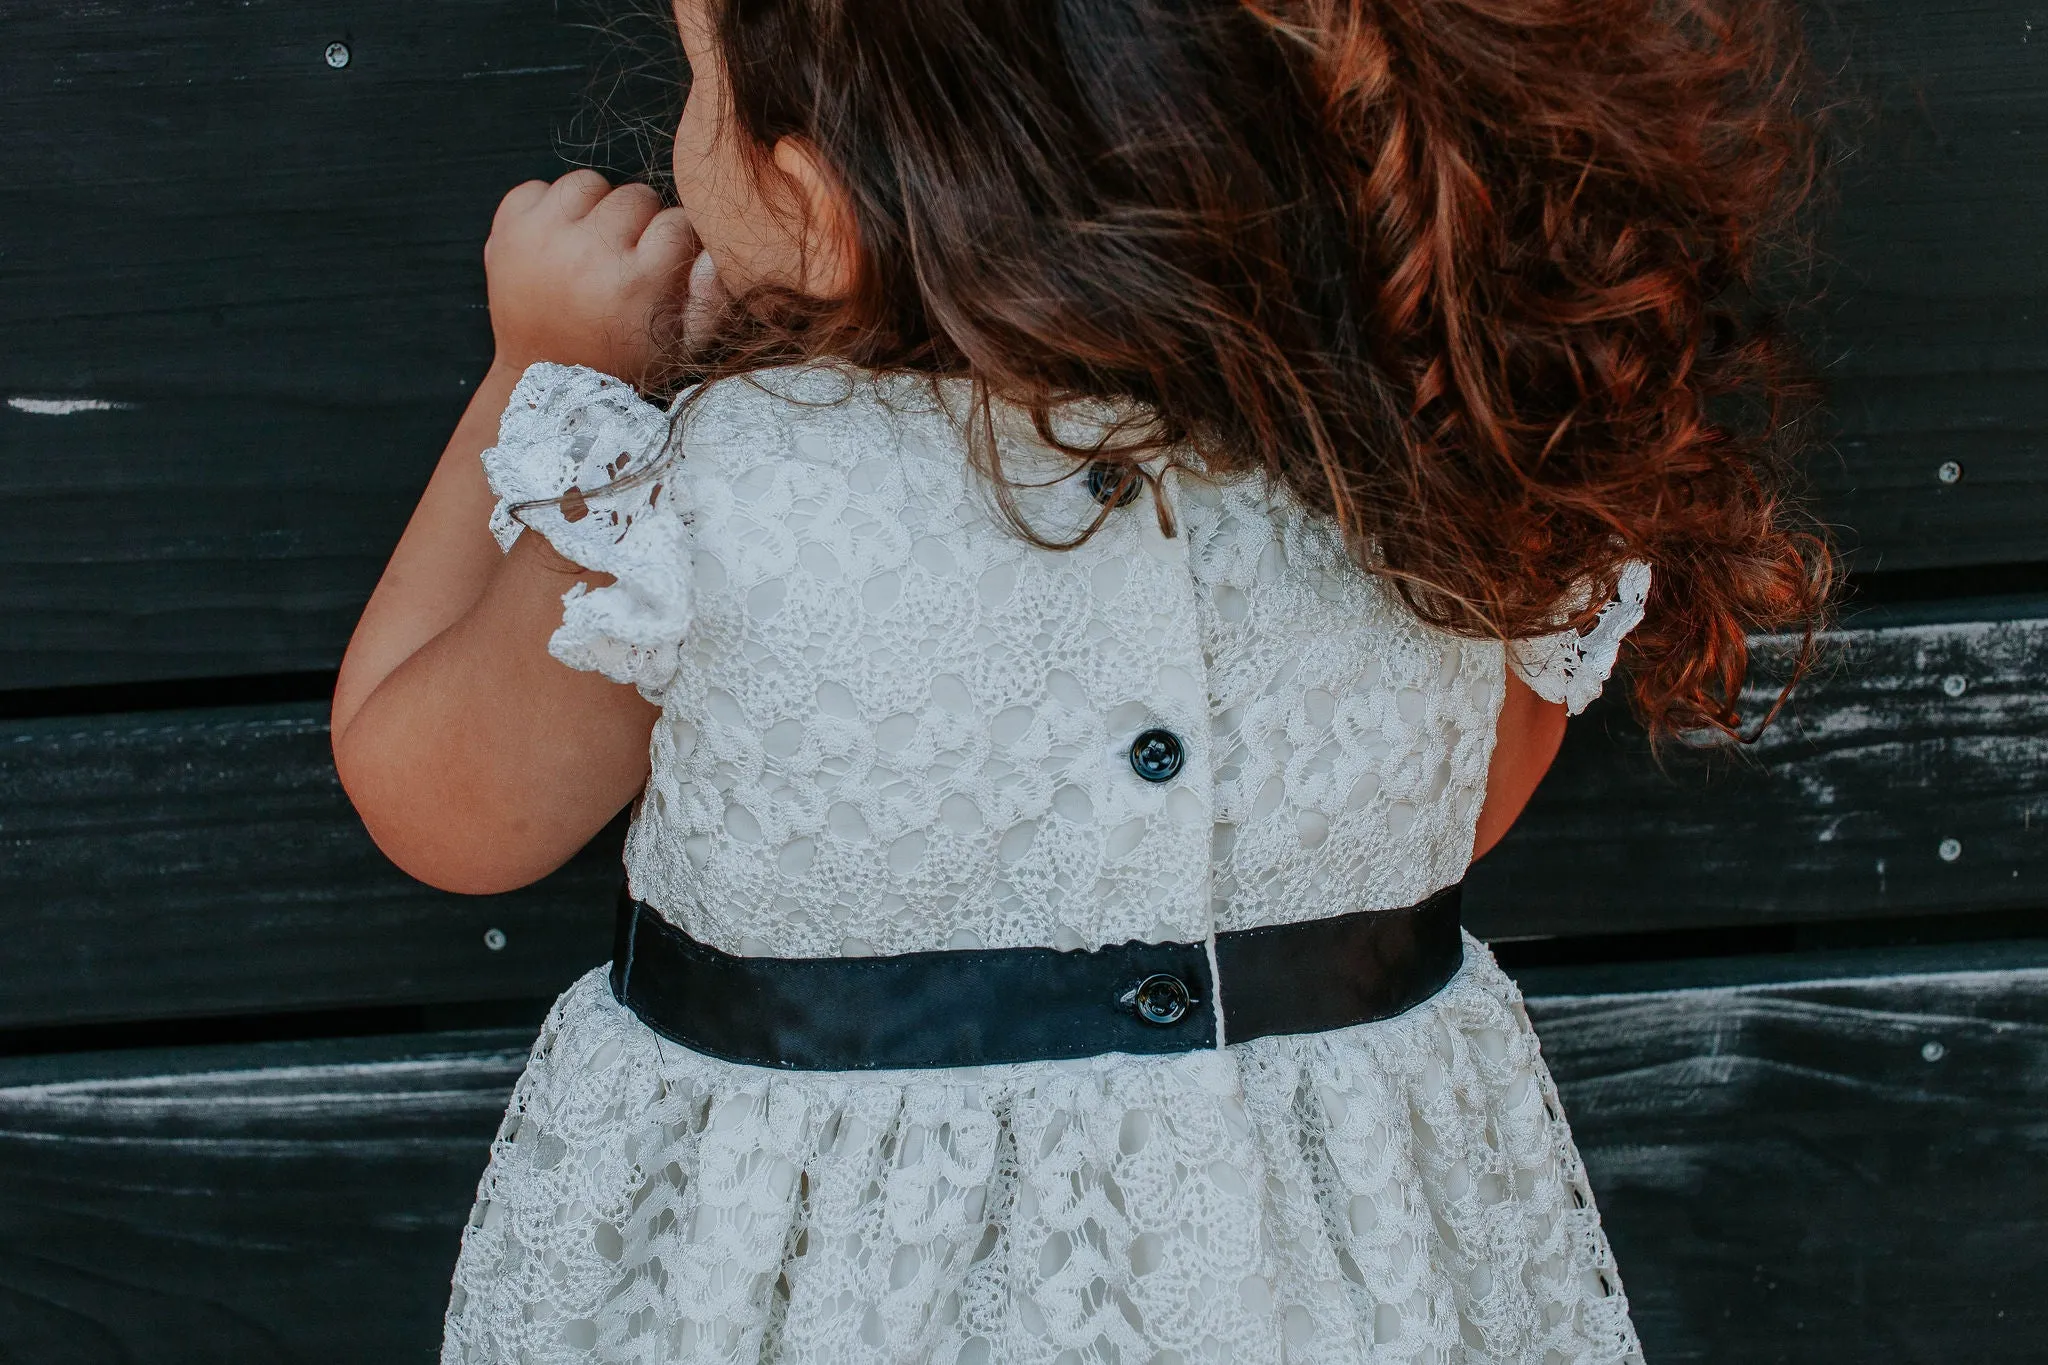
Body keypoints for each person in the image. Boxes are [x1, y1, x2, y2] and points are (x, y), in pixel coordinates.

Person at [332, 0, 1831, 1360]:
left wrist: (547, 382)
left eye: (709, 64)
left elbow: (445, 808)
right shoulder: (1430, 456)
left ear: (835, 192)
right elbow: (1449, 828)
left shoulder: (719, 499)